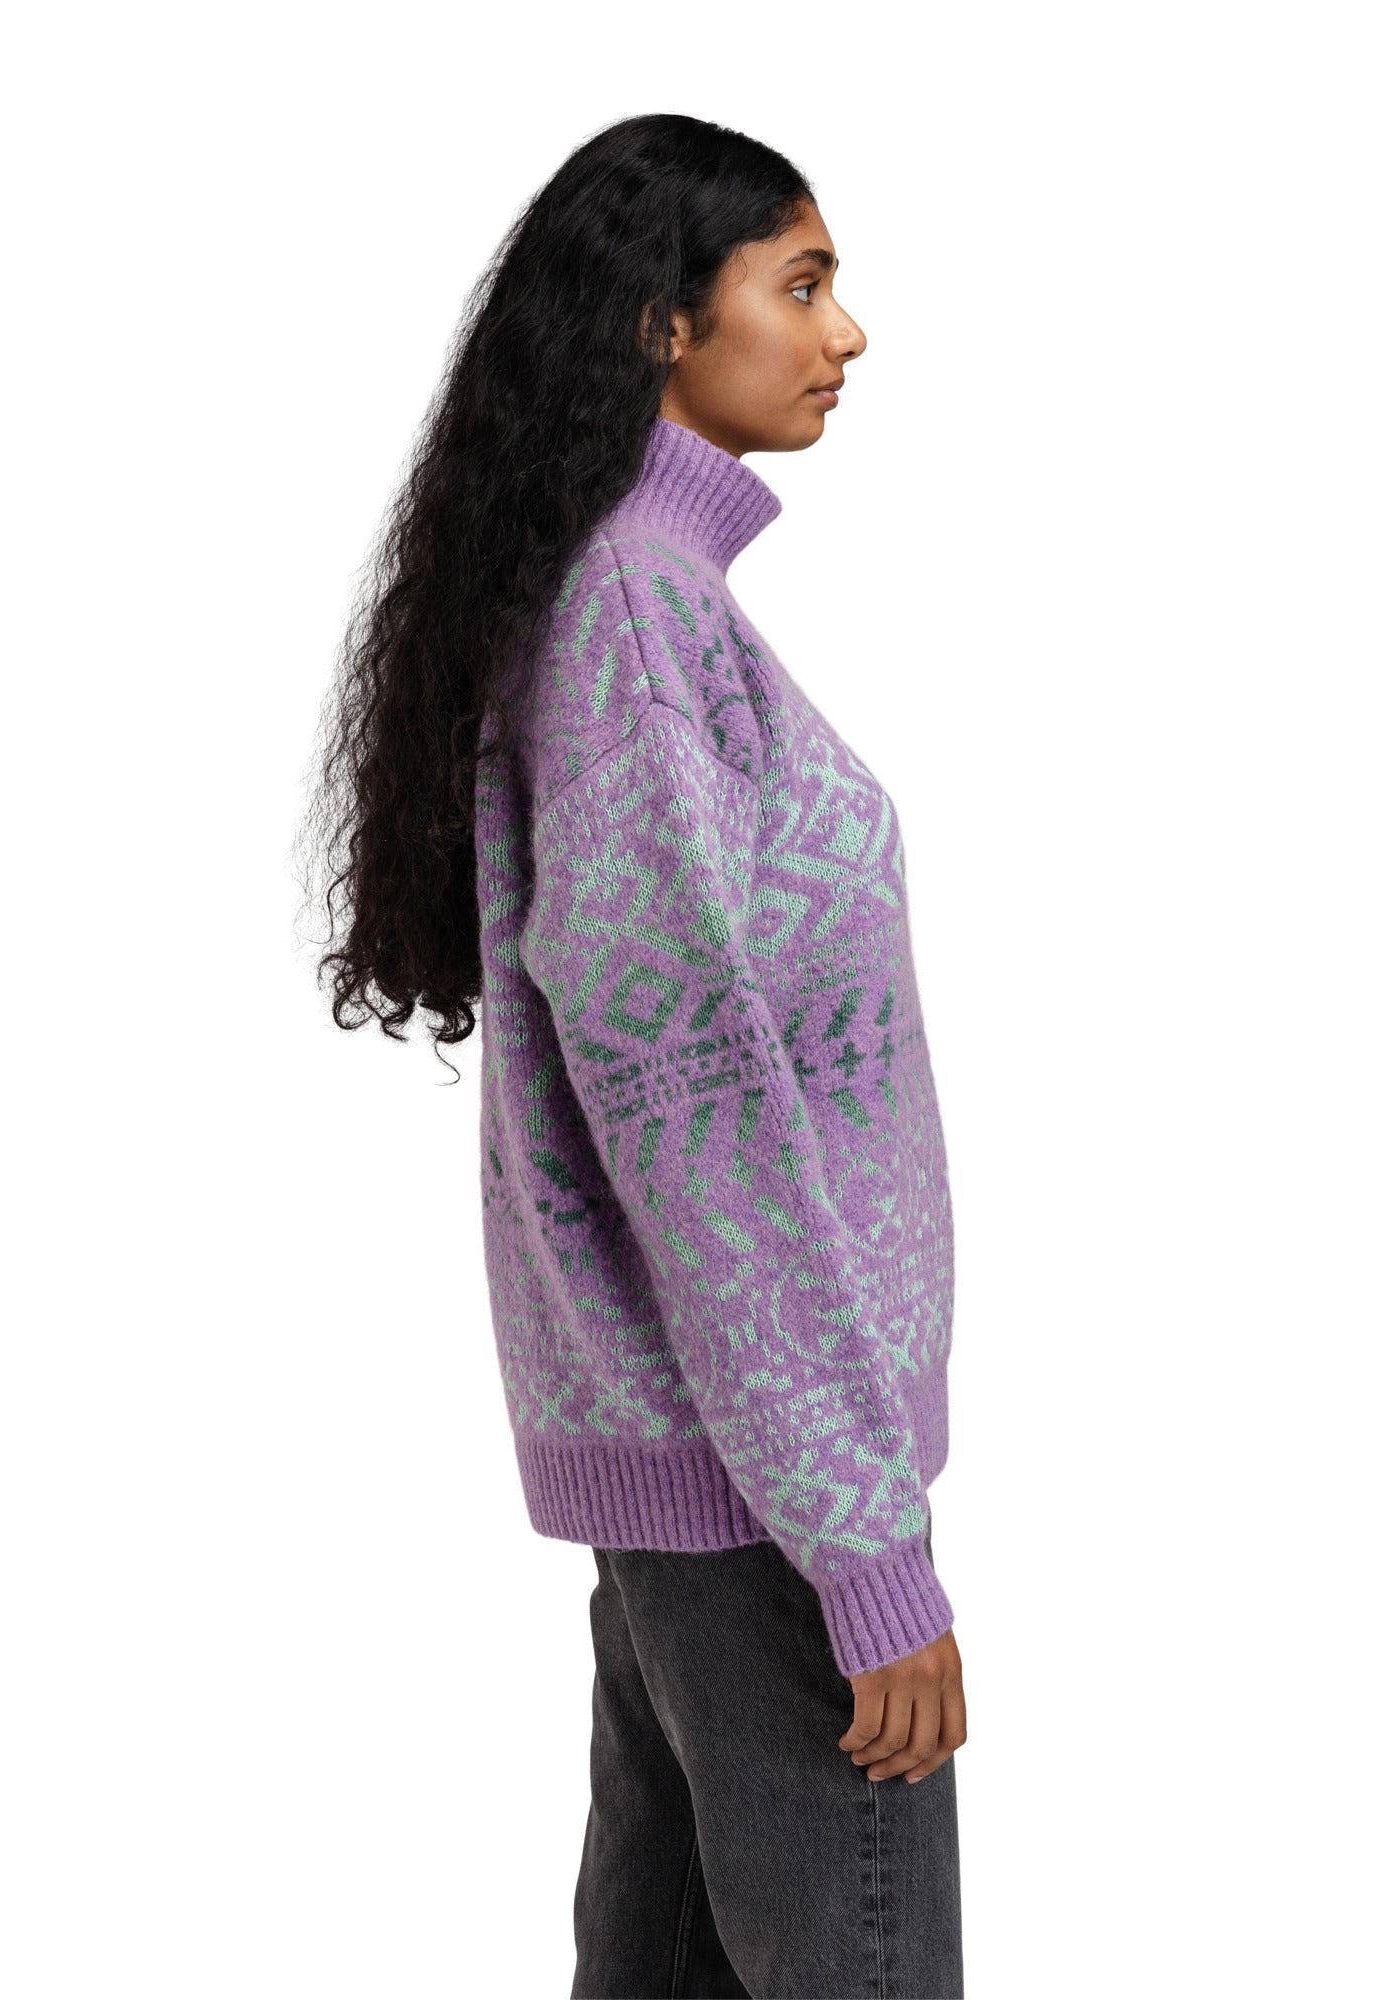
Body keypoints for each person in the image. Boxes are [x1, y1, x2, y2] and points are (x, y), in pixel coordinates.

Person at [303, 112, 966, 2000]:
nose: (847, 335)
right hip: (766, 1491)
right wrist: (862, 1544)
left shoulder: (633, 604)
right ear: (668, 324)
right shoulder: (634, 626)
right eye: (803, 284)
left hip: (719, 1467)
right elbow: (703, 1129)